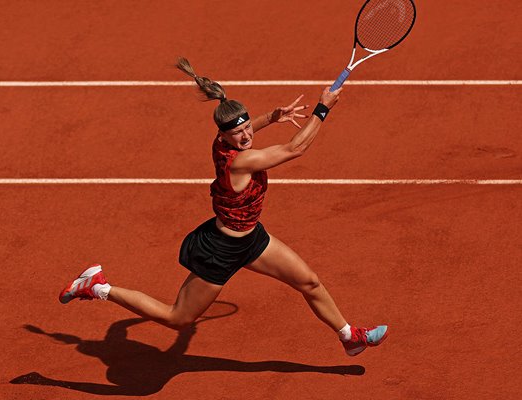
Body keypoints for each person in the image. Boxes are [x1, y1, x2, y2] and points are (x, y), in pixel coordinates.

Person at [59, 57, 388, 357]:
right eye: (238, 133)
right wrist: (323, 108)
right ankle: (98, 286)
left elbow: (243, 129)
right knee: (178, 319)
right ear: (224, 136)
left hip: (252, 239)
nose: (246, 136)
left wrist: (270, 118)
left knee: (309, 281)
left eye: (247, 128)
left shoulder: (220, 142)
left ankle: (349, 336)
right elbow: (295, 148)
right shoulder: (241, 163)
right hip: (221, 248)